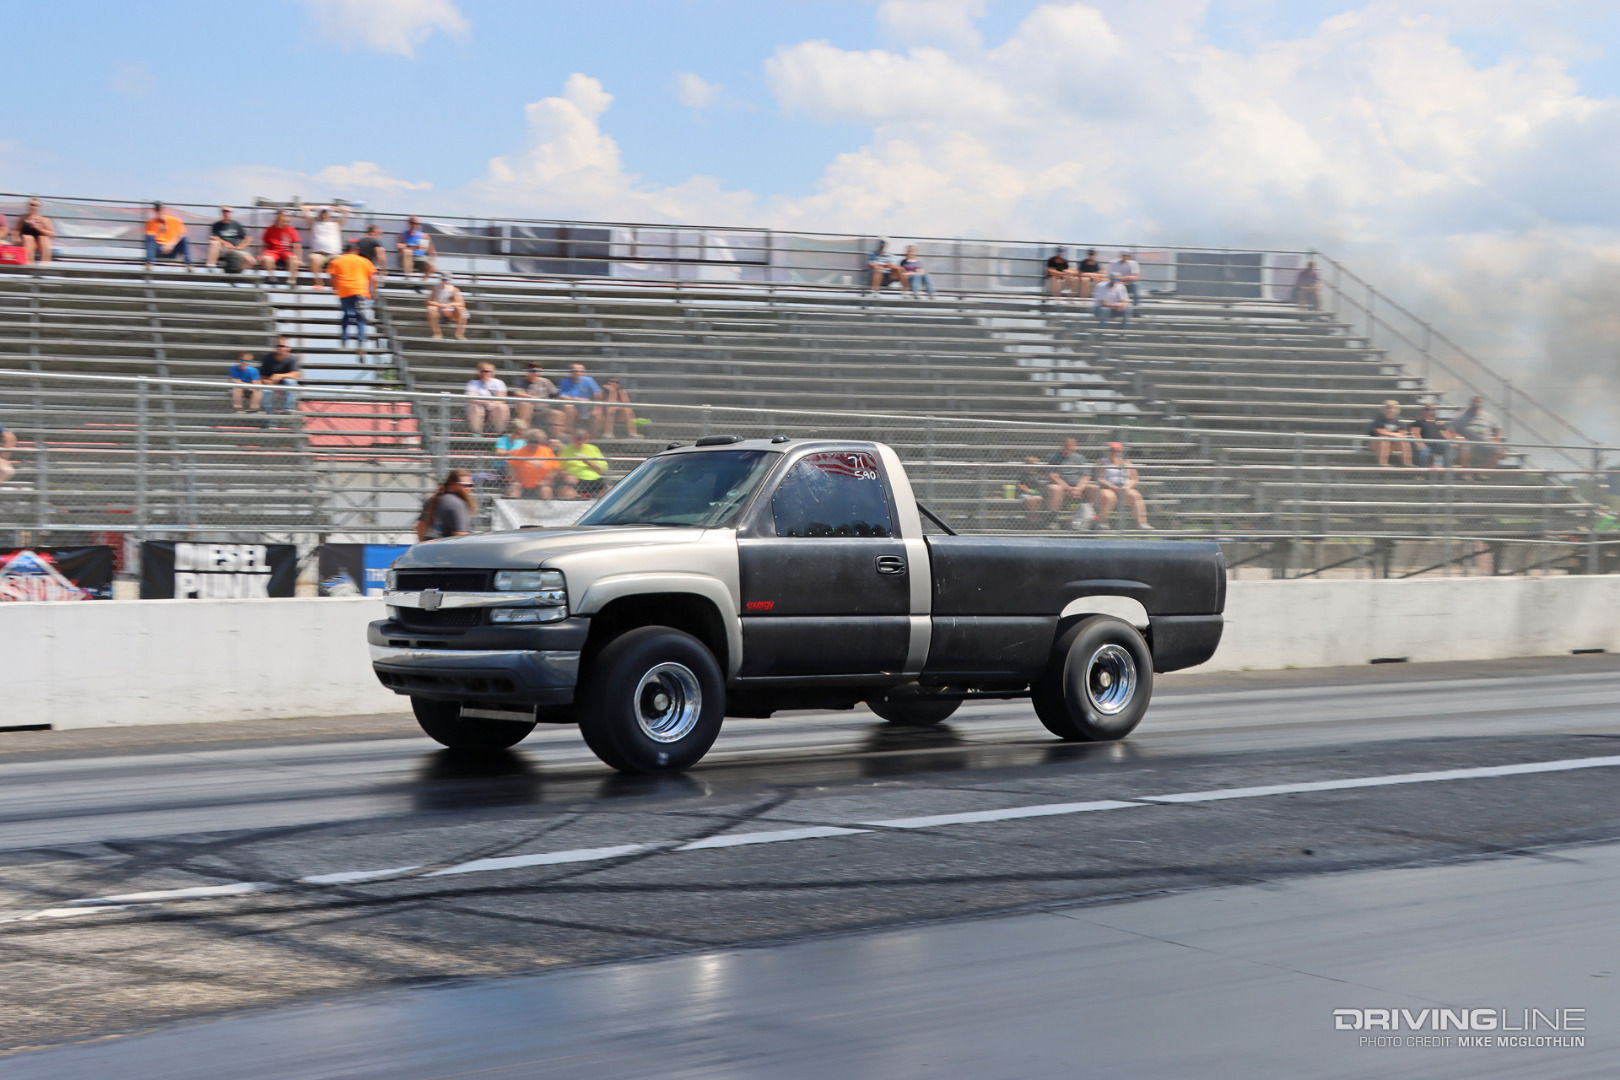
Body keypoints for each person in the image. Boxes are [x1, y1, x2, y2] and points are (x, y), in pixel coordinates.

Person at [326, 240, 378, 352]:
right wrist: (373, 292)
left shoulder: (336, 261)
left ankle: (344, 341)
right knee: (360, 317)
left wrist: (335, 288)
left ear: (345, 250)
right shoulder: (365, 261)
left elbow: (331, 278)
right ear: (356, 250)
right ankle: (360, 343)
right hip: (359, 291)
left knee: (346, 314)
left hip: (344, 291)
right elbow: (373, 279)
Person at [1091, 442, 1151, 529]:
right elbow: (1100, 478)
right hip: (1108, 487)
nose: (1114, 453)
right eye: (1112, 450)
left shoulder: (1127, 463)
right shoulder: (1102, 462)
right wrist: (1112, 486)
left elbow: (1134, 479)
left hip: (1124, 488)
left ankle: (1142, 523)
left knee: (1135, 495)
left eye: (1117, 451)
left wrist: (1127, 487)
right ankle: (1103, 522)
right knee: (1108, 496)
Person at [1041, 436, 1091, 528]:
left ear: (1075, 446)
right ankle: (1053, 519)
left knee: (1094, 488)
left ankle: (1092, 518)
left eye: (1071, 445)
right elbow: (1053, 476)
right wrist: (1068, 488)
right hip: (1061, 487)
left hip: (1077, 488)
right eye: (1066, 445)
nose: (1068, 447)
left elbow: (1086, 476)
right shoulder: (1054, 457)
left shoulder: (1080, 458)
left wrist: (1079, 488)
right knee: (1055, 489)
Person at [1449, 395, 1501, 478]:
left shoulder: (1489, 417)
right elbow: (1451, 430)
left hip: (1484, 444)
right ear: (1470, 404)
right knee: (1464, 447)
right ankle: (1467, 473)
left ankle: (1481, 473)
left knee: (1500, 451)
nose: (1476, 407)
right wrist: (1459, 438)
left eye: (1478, 405)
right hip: (1468, 444)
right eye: (1474, 405)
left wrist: (1496, 439)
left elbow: (1497, 428)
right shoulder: (1460, 416)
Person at [301, 205, 350, 289]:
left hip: (334, 254)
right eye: (322, 212)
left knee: (343, 261)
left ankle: (339, 284)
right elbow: (304, 208)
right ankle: (319, 283)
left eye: (326, 212)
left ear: (330, 213)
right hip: (318, 254)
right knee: (313, 259)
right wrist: (318, 207)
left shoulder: (336, 224)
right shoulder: (314, 224)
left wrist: (332, 208)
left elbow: (346, 211)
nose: (324, 213)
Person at [417, 469, 475, 541]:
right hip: (449, 547)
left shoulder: (431, 500)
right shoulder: (457, 504)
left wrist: (422, 544)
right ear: (453, 484)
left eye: (471, 485)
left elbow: (420, 527)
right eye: (466, 485)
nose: (470, 488)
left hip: (430, 546)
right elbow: (460, 535)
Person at [506, 427, 559, 499]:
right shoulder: (520, 452)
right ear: (527, 441)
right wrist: (515, 480)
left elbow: (555, 469)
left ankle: (547, 507)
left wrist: (547, 480)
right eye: (530, 441)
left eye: (536, 442)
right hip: (522, 485)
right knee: (515, 488)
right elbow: (512, 467)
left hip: (540, 485)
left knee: (546, 490)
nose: (533, 444)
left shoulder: (547, 451)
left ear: (540, 441)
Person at [557, 428, 610, 498]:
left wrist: (587, 462)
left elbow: (602, 471)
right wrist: (566, 475)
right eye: (578, 438)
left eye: (584, 439)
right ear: (572, 438)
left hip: (595, 480)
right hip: (575, 480)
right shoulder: (565, 450)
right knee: (566, 492)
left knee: (610, 490)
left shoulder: (593, 449)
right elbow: (559, 469)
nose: (581, 441)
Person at [556, 361, 603, 433]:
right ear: (571, 372)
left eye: (581, 371)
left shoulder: (589, 380)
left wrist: (596, 405)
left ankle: (594, 436)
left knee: (597, 414)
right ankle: (569, 431)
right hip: (575, 409)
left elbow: (598, 395)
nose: (579, 373)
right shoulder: (565, 381)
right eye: (575, 371)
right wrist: (576, 399)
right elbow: (561, 396)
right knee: (568, 407)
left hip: (588, 408)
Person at [257, 211, 303, 285]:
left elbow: (297, 246)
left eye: (282, 217)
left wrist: (299, 259)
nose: (280, 219)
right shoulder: (270, 229)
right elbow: (264, 244)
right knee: (266, 258)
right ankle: (272, 276)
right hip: (272, 251)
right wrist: (260, 255)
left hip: (285, 251)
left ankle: (291, 280)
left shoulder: (291, 229)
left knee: (293, 259)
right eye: (279, 217)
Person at [143, 202, 192, 270]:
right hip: (158, 250)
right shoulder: (151, 222)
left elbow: (180, 235)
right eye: (157, 210)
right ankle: (149, 263)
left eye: (160, 209)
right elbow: (151, 239)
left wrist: (170, 245)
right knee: (149, 237)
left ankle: (188, 264)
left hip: (172, 249)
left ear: (164, 210)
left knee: (184, 238)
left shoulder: (174, 220)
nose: (159, 212)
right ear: (155, 211)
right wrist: (159, 232)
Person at [465, 363, 510, 434]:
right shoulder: (473, 383)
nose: (484, 373)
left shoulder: (499, 383)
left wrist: (493, 404)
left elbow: (501, 399)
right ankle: (477, 433)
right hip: (477, 409)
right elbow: (471, 398)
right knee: (476, 407)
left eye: (487, 371)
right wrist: (486, 402)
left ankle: (501, 433)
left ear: (493, 373)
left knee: (502, 407)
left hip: (493, 410)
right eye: (482, 371)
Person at [1409, 401, 1456, 469]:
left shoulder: (1438, 423)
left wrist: (1452, 441)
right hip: (1426, 444)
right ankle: (1421, 472)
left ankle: (1447, 471)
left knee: (1449, 448)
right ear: (1423, 411)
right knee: (1424, 452)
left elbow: (1445, 433)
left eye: (1432, 409)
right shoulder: (1419, 421)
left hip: (1438, 445)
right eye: (1427, 409)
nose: (1429, 411)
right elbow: (1415, 433)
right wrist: (1419, 443)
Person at [1366, 399, 1413, 467]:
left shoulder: (1399, 420)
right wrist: (1394, 434)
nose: (1391, 410)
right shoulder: (1378, 419)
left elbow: (1403, 434)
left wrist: (1391, 434)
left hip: (1392, 444)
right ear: (1384, 409)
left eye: (1393, 408)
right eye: (1388, 408)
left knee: (1404, 442)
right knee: (1384, 440)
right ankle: (1383, 464)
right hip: (1376, 444)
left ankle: (1407, 464)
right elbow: (1379, 432)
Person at [206, 207, 254, 272]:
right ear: (222, 213)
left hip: (235, 249)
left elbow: (248, 238)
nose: (227, 213)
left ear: (232, 213)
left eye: (229, 211)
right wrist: (225, 243)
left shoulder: (236, 224)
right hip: (223, 249)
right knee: (214, 243)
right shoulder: (217, 225)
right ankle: (211, 267)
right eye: (225, 211)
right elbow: (213, 237)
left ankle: (238, 272)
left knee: (251, 261)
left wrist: (241, 246)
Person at [512, 363, 558, 428]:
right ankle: (524, 430)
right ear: (527, 371)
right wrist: (533, 398)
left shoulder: (546, 381)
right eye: (533, 371)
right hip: (529, 407)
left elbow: (555, 394)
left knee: (558, 413)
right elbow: (517, 393)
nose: (535, 373)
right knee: (525, 405)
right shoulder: (521, 382)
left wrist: (545, 402)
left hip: (544, 408)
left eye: (538, 371)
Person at [11, 198, 54, 264]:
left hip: (39, 243)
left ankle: (44, 264)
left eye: (35, 205)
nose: (33, 207)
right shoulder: (23, 218)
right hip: (26, 242)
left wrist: (40, 229)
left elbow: (52, 234)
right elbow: (16, 231)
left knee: (44, 238)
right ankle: (30, 263)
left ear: (39, 207)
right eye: (31, 204)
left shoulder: (44, 219)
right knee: (28, 238)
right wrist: (17, 239)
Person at [426, 273, 468, 339]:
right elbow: (429, 302)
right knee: (431, 309)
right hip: (438, 311)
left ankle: (460, 334)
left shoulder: (454, 289)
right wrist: (440, 305)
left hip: (451, 312)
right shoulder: (435, 289)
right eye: (443, 279)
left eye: (446, 280)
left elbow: (461, 303)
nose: (444, 281)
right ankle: (437, 333)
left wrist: (448, 305)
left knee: (464, 311)